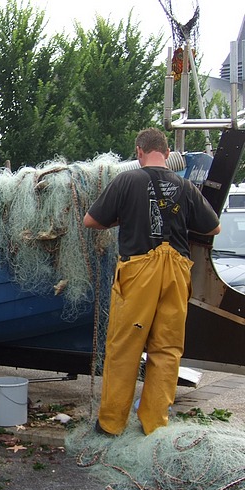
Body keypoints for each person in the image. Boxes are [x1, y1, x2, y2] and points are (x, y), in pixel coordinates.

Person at [84, 128, 221, 436]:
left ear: (139, 152)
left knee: (125, 347)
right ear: (168, 151)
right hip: (175, 271)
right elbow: (214, 228)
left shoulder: (126, 181)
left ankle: (111, 424)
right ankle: (154, 424)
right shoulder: (184, 186)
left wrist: (123, 218)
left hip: (138, 274)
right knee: (167, 349)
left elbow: (91, 221)